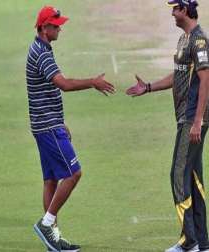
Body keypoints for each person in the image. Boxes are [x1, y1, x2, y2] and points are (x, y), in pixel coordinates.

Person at [26, 6, 115, 252]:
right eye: (55, 25)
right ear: (44, 27)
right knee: (74, 173)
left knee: (51, 180)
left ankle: (52, 238)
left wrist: (60, 118)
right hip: (47, 126)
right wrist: (93, 82)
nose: (60, 28)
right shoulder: (42, 53)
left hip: (45, 123)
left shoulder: (41, 48)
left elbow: (47, 89)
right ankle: (47, 224)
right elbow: (63, 84)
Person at [126, 1, 209, 251]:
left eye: (175, 8)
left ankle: (189, 241)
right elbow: (179, 75)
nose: (172, 13)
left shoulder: (199, 41)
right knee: (192, 176)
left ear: (185, 10)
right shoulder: (184, 40)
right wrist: (149, 87)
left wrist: (197, 121)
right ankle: (202, 242)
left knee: (177, 174)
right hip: (186, 118)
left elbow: (206, 80)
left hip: (192, 120)